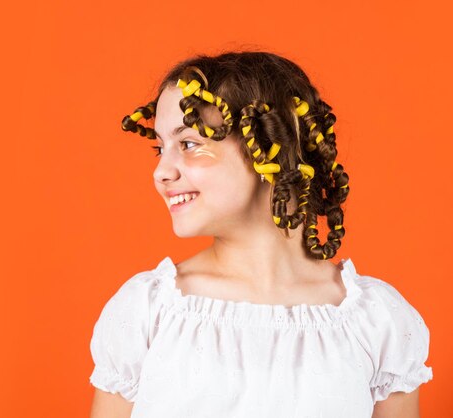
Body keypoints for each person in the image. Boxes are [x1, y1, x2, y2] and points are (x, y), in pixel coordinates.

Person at [88, 51, 433, 418]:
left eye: (188, 144)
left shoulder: (377, 322)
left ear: (271, 145)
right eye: (159, 148)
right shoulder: (149, 312)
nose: (161, 172)